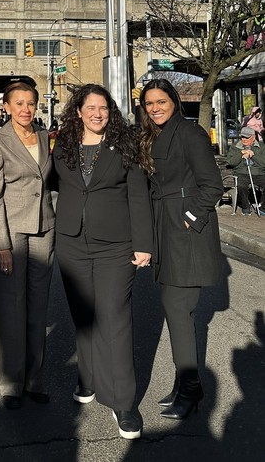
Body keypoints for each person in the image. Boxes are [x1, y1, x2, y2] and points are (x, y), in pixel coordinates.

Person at [53, 84, 152, 440]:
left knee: (114, 317)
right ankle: (89, 377)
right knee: (84, 315)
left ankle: (123, 401)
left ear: (111, 112)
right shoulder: (62, 144)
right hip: (71, 242)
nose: (97, 114)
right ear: (77, 111)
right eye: (90, 108)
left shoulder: (125, 143)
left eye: (104, 108)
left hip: (115, 246)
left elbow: (139, 196)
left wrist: (143, 244)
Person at [139, 79, 223, 421]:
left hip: (185, 233)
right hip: (166, 230)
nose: (156, 108)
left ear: (174, 101)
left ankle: (189, 390)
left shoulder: (189, 133)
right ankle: (186, 385)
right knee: (177, 312)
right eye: (149, 104)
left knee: (178, 312)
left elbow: (213, 184)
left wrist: (189, 217)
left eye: (161, 101)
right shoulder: (155, 135)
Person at [0, 81, 54, 410]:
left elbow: (50, 182)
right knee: (11, 310)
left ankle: (34, 378)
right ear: (7, 107)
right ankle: (11, 383)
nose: (26, 109)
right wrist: (1, 244)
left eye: (31, 103)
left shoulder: (43, 137)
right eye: (19, 103)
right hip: (12, 233)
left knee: (37, 308)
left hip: (44, 230)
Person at [226, 126, 265, 216]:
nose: (244, 139)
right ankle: (246, 206)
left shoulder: (261, 146)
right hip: (241, 173)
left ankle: (263, 207)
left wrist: (253, 155)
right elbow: (231, 162)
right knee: (241, 185)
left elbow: (263, 163)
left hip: (258, 173)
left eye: (247, 137)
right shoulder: (235, 146)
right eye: (242, 137)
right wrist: (241, 153)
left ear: (253, 137)